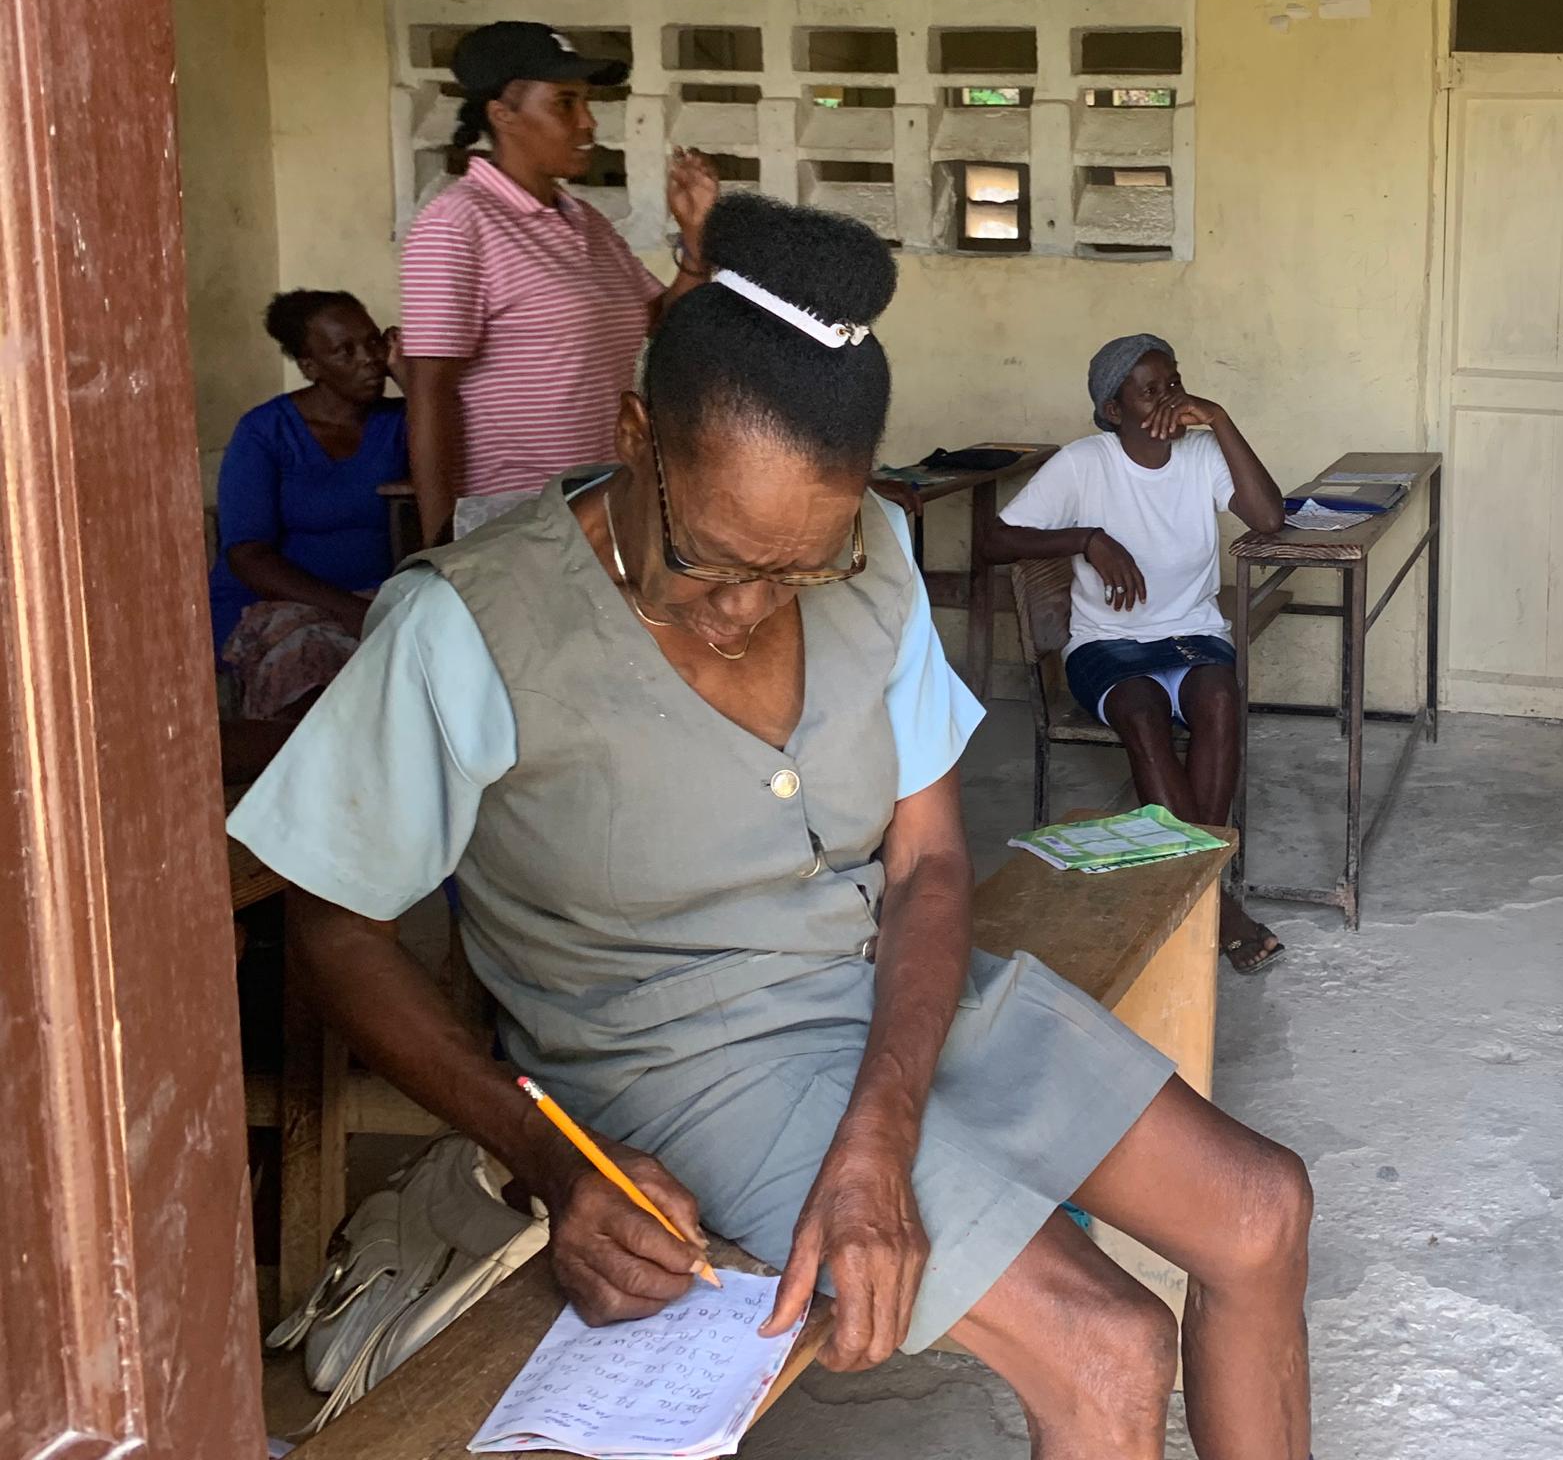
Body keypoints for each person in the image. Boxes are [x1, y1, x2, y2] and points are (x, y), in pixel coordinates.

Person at [228, 197, 1313, 1459]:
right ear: (636, 437)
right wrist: (552, 1155)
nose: (748, 610)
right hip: (681, 1065)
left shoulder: (881, 552)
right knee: (1106, 1347)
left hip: (896, 993)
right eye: (713, 559)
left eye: (803, 570)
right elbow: (337, 931)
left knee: (1262, 1209)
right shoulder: (469, 623)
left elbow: (929, 863)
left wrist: (881, 1130)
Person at [984, 338, 1291, 975]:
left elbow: (1267, 518)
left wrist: (1221, 419)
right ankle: (1216, 903)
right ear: (1113, 409)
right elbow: (992, 539)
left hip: (1192, 631)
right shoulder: (1083, 463)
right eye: (1151, 391)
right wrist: (1087, 539)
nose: (1170, 400)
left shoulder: (1202, 454)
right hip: (1107, 643)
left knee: (1219, 695)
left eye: (1174, 384)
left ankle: (1195, 891)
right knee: (1141, 707)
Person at [401, 21, 720, 544]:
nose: (588, 121)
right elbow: (429, 390)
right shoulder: (456, 224)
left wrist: (696, 238)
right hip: (519, 522)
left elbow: (664, 324)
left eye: (586, 103)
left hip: (605, 507)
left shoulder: (585, 222)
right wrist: (442, 539)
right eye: (565, 104)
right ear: (502, 114)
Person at [210, 290, 409, 724]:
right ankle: (294, 761)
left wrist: (415, 383)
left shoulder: (403, 423)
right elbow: (247, 554)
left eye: (374, 343)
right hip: (273, 602)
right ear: (309, 366)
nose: (369, 359)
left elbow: (453, 486)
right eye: (345, 351)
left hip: (376, 597)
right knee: (308, 656)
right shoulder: (266, 431)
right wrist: (349, 609)